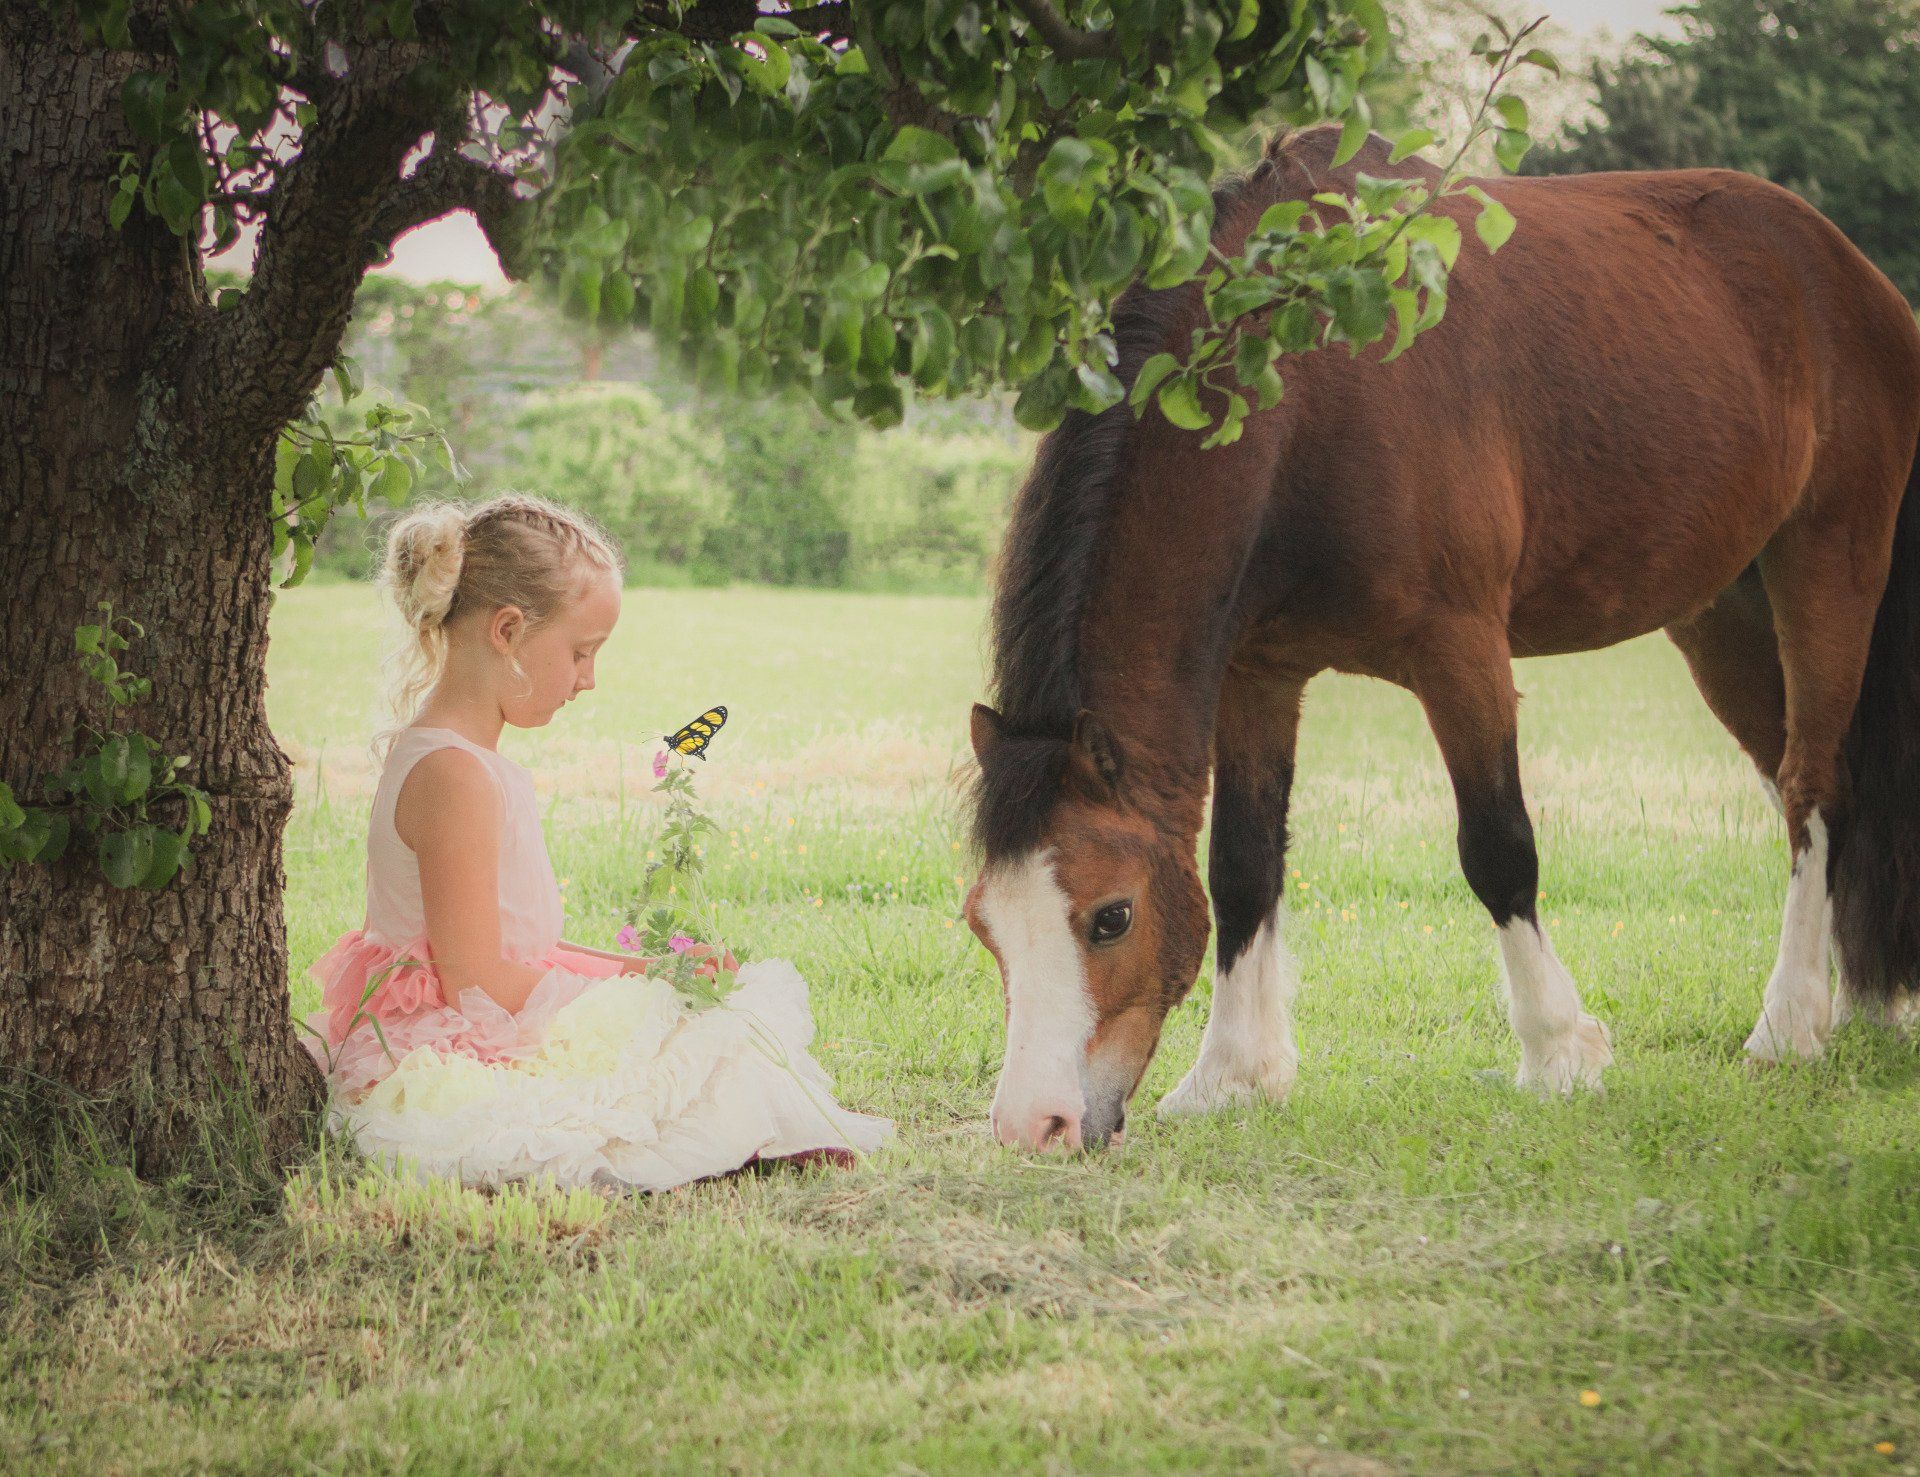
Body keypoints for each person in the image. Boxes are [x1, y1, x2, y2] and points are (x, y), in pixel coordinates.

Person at [301, 493, 892, 1190]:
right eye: (580, 653)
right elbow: (476, 982)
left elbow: (515, 954)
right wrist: (625, 994)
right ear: (509, 630)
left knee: (711, 1018)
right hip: (455, 1045)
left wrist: (646, 973)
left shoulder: (461, 760)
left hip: (483, 1010)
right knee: (703, 1050)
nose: (589, 679)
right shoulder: (453, 774)